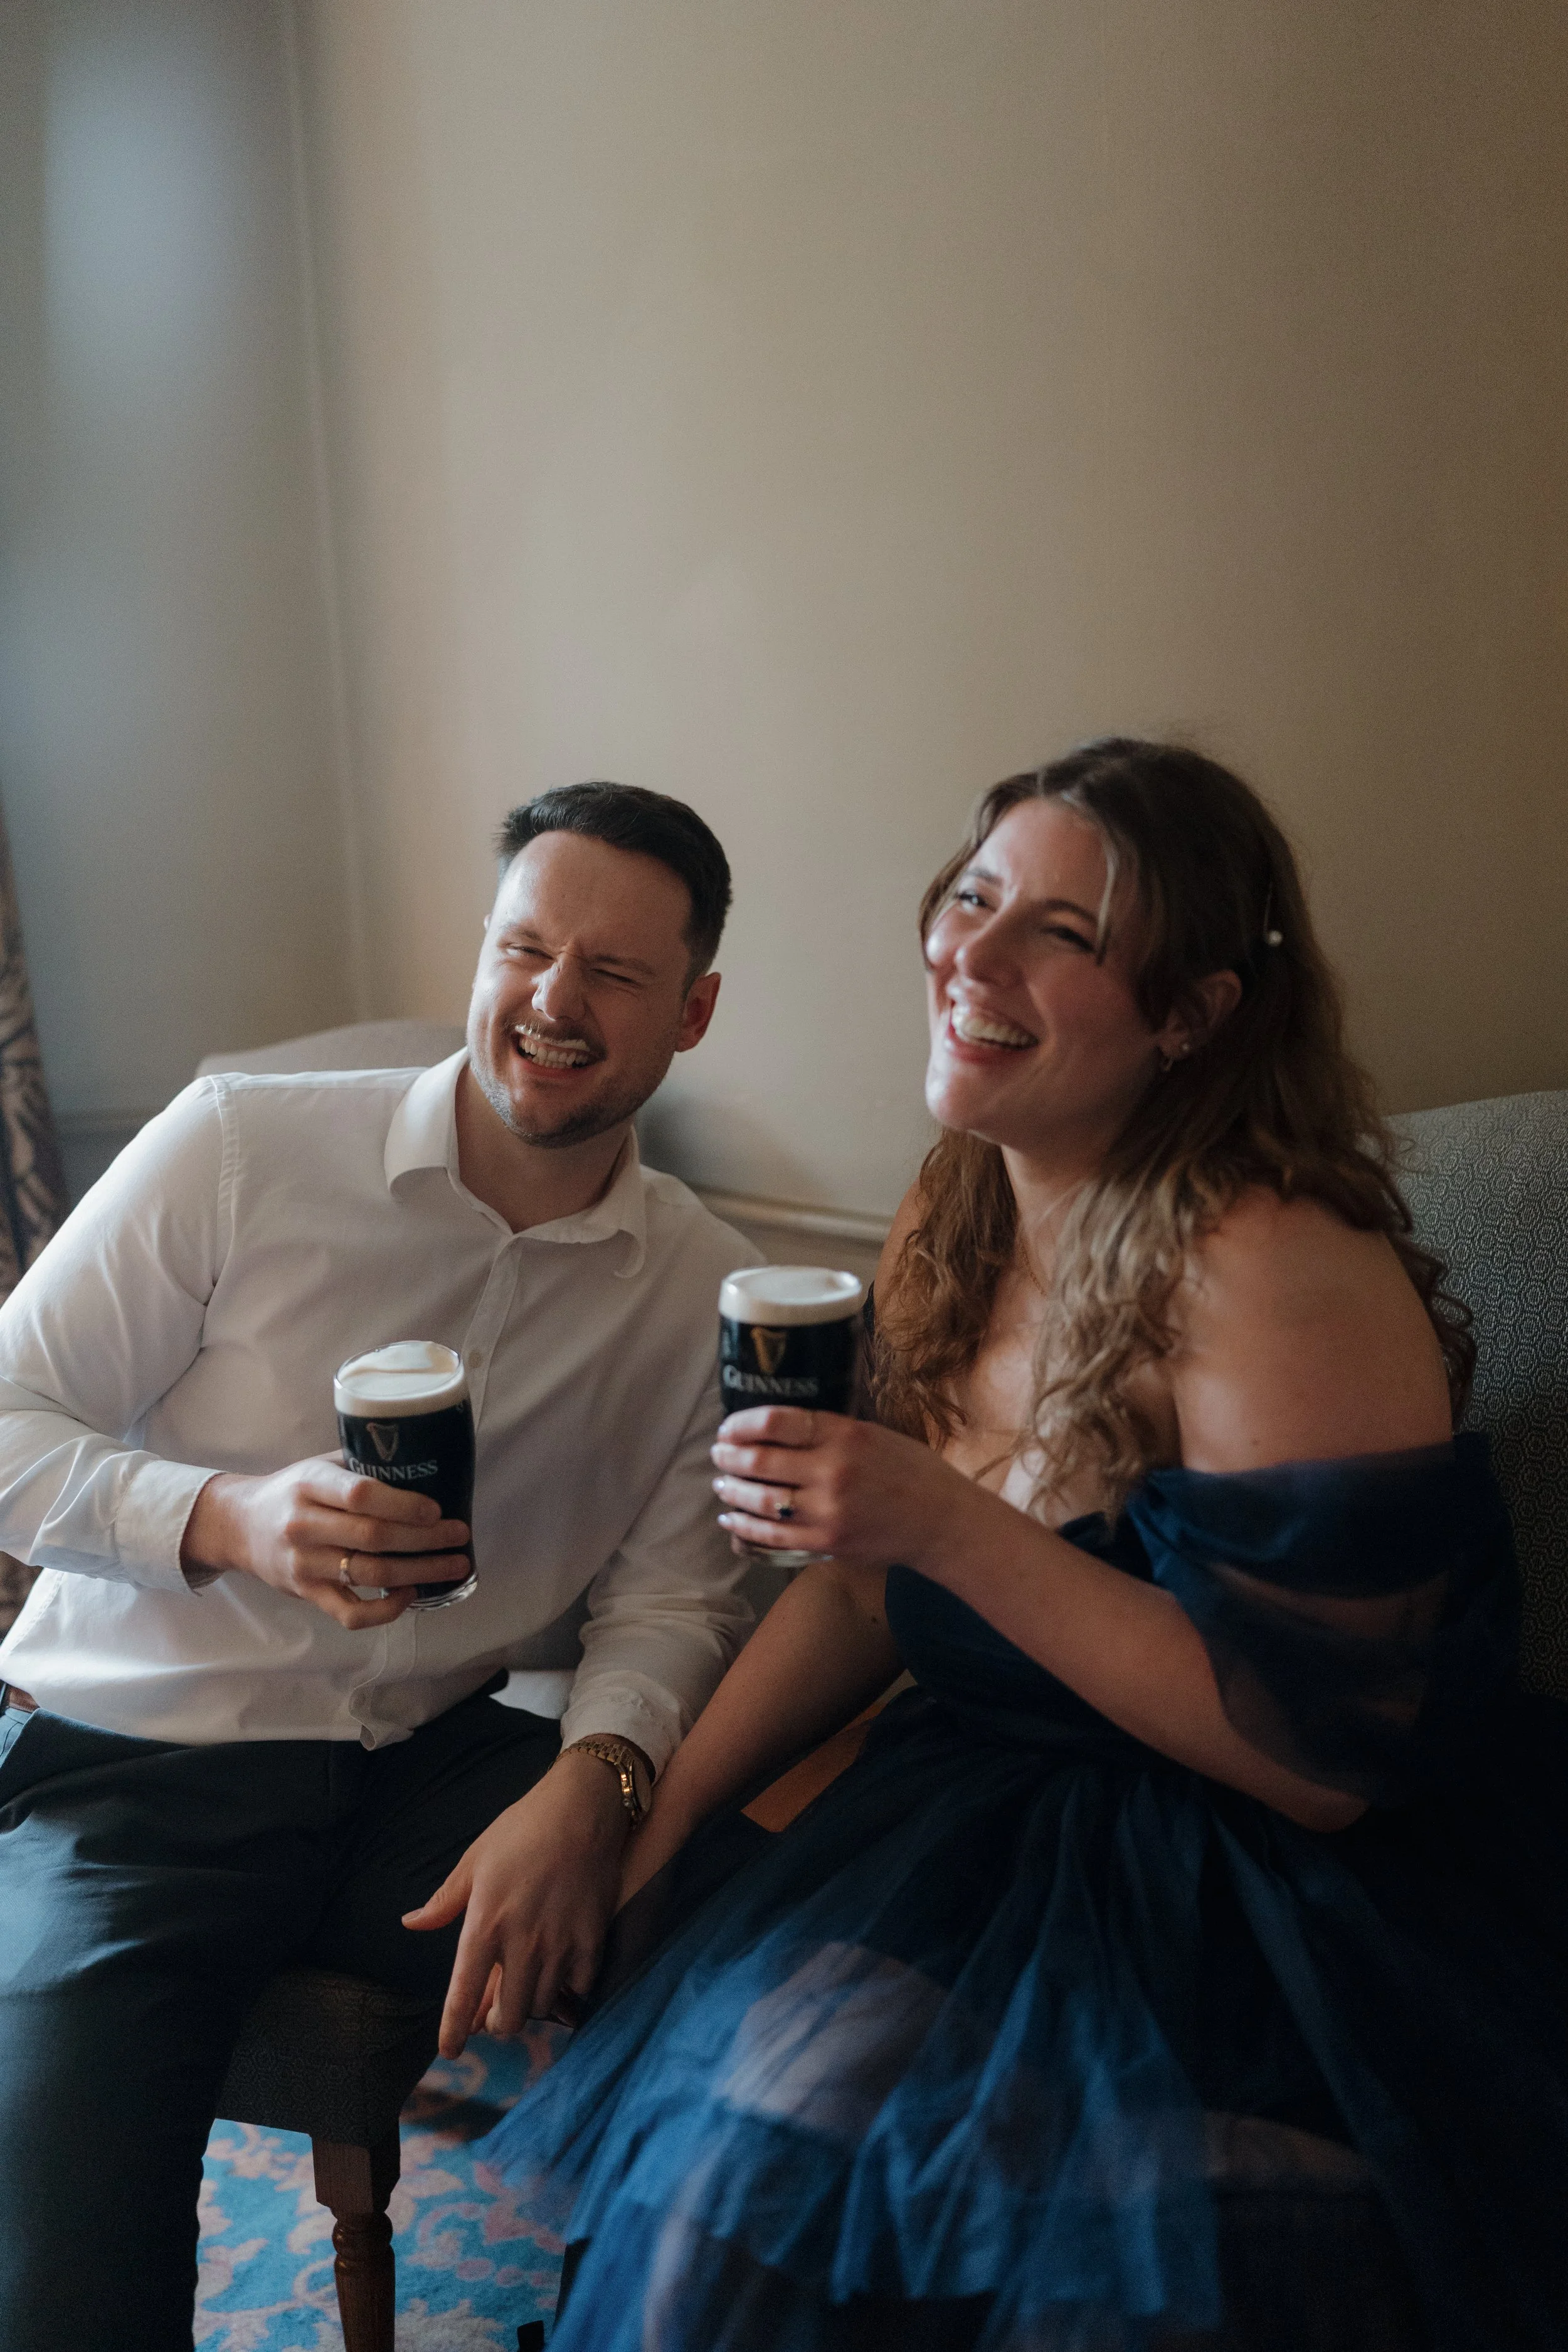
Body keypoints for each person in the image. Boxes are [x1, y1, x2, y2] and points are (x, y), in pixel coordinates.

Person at [482, 741, 1568, 2352]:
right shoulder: (963, 1200)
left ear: (1188, 1014)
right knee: (730, 2174)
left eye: (1055, 933)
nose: (966, 957)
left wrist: (942, 1523)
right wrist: (666, 1818)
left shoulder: (1272, 1269)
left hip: (1274, 1896)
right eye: (972, 898)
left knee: (1094, 2265)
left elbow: (1321, 1760)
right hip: (974, 1815)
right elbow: (859, 1585)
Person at [0, 781, 764, 2351]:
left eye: (613, 974)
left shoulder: (704, 1283)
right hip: (135, 1779)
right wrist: (226, 1521)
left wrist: (599, 1777)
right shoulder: (238, 1149)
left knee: (758, 1952)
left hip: (431, 1768)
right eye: (524, 948)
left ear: (690, 1013)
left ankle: (630, 2315)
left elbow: (675, 1596)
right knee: (61, 2263)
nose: (554, 1001)